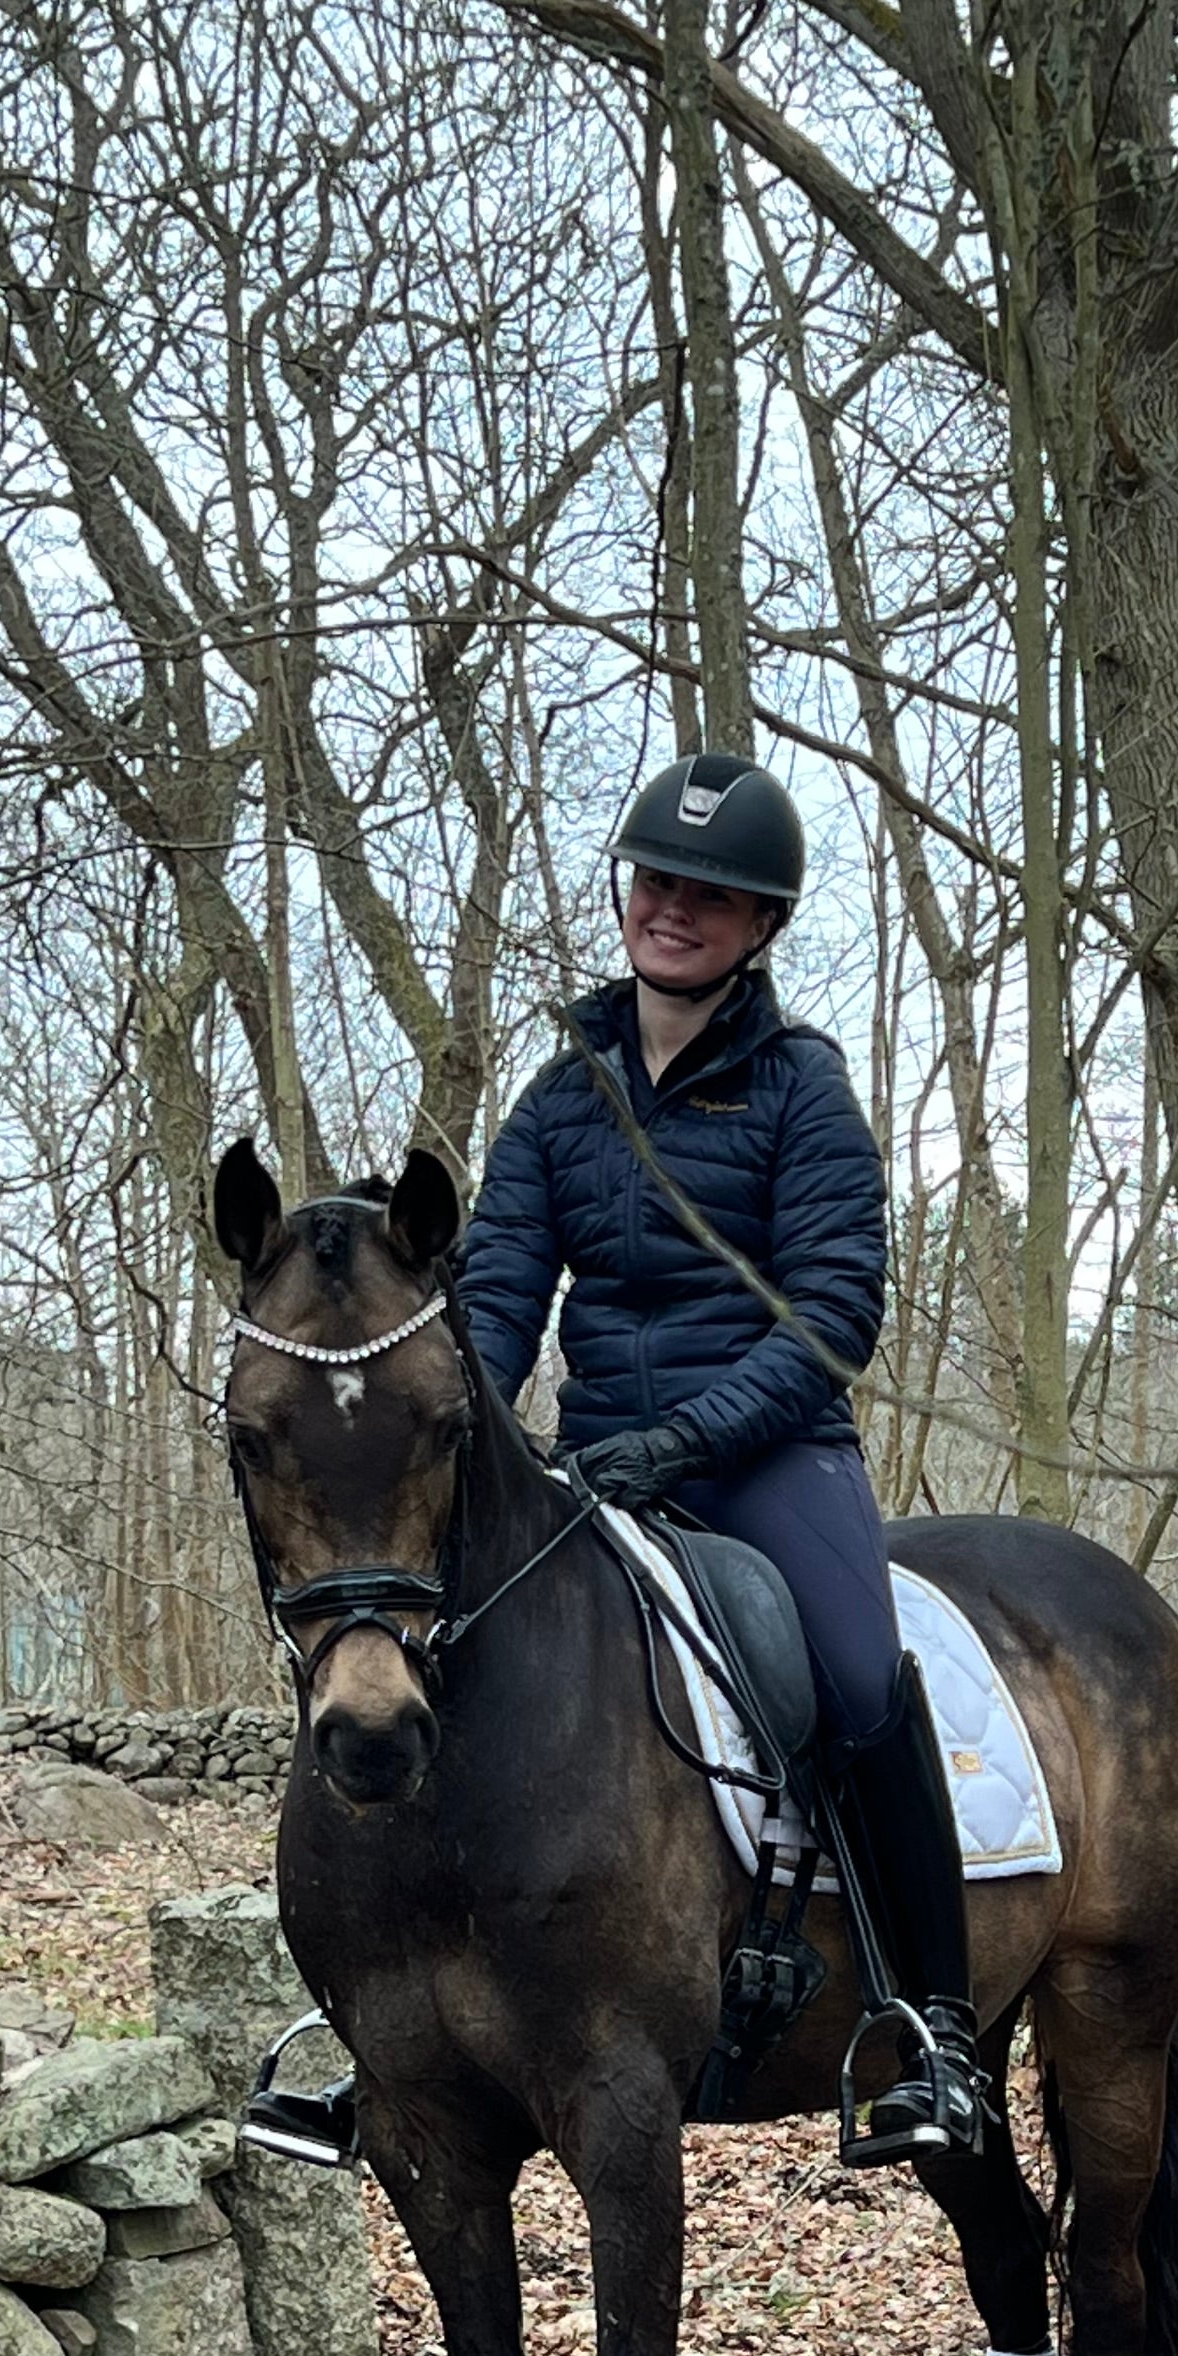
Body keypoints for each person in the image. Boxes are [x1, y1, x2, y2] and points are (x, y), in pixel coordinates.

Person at [457, 748, 993, 2164]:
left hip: (767, 1455)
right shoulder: (562, 1095)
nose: (673, 909)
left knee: (859, 1678)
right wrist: (466, 1430)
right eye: (656, 881)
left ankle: (934, 2029)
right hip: (593, 1461)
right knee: (430, 1645)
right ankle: (393, 2020)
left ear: (762, 924)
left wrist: (689, 1435)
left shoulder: (801, 1088)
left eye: (710, 894)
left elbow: (833, 1312)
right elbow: (498, 1292)